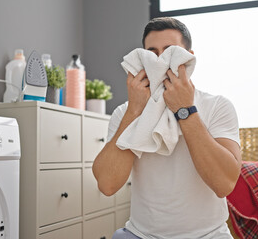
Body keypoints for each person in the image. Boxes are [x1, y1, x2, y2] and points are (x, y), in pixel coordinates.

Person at [92, 17, 242, 239]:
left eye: (170, 52)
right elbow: (107, 184)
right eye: (152, 54)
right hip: (140, 234)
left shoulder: (217, 106)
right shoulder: (124, 113)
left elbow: (224, 184)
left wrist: (185, 110)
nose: (160, 62)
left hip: (209, 235)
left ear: (189, 58)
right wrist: (135, 111)